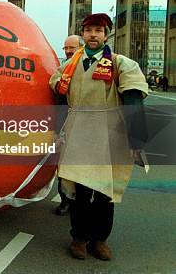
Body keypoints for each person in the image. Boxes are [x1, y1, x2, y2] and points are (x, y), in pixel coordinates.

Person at [49, 13, 148, 261]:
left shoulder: (120, 64)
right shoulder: (67, 67)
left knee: (105, 192)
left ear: (106, 35)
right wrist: (56, 131)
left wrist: (136, 140)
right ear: (83, 33)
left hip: (109, 134)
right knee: (80, 191)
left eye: (99, 31)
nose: (93, 35)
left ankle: (100, 240)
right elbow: (59, 100)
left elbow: (134, 99)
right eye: (89, 30)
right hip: (78, 133)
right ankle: (79, 239)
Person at [54, 35, 84, 216]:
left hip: (86, 122)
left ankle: (81, 201)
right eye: (65, 48)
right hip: (65, 120)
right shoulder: (63, 68)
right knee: (63, 163)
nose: (67, 51)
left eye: (71, 48)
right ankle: (65, 199)